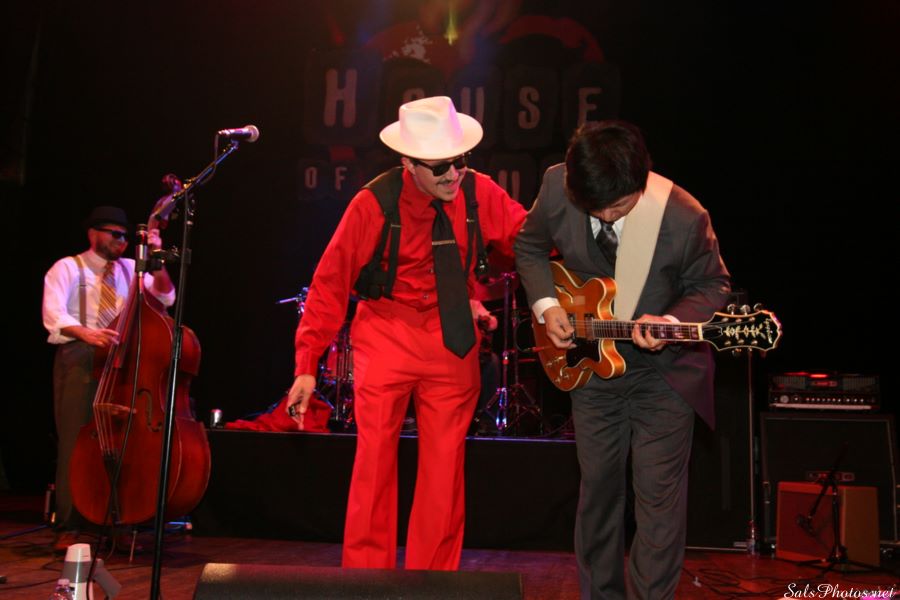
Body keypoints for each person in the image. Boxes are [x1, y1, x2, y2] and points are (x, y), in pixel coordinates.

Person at [287, 96, 526, 570]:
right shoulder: (373, 203)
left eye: (459, 161)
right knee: (374, 462)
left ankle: (432, 582)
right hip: (386, 334)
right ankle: (366, 582)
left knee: (444, 469)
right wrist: (307, 365)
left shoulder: (479, 192)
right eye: (439, 167)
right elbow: (330, 282)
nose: (452, 175)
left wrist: (579, 222)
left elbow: (530, 238)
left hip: (451, 338)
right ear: (408, 163)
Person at [514, 120, 730, 599]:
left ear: (641, 180)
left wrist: (671, 322)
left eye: (621, 206)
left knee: (657, 501)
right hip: (592, 368)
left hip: (664, 377)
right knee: (598, 493)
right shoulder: (556, 184)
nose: (609, 216)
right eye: (598, 209)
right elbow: (529, 246)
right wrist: (547, 307)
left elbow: (713, 284)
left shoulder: (682, 214)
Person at [42, 206, 175, 551]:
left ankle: (116, 520)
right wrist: (87, 333)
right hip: (81, 355)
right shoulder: (67, 267)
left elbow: (166, 296)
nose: (121, 241)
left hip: (121, 359)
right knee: (75, 441)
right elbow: (53, 315)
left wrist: (157, 258)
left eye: (125, 236)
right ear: (93, 234)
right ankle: (69, 526)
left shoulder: (133, 269)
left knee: (121, 442)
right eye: (114, 234)